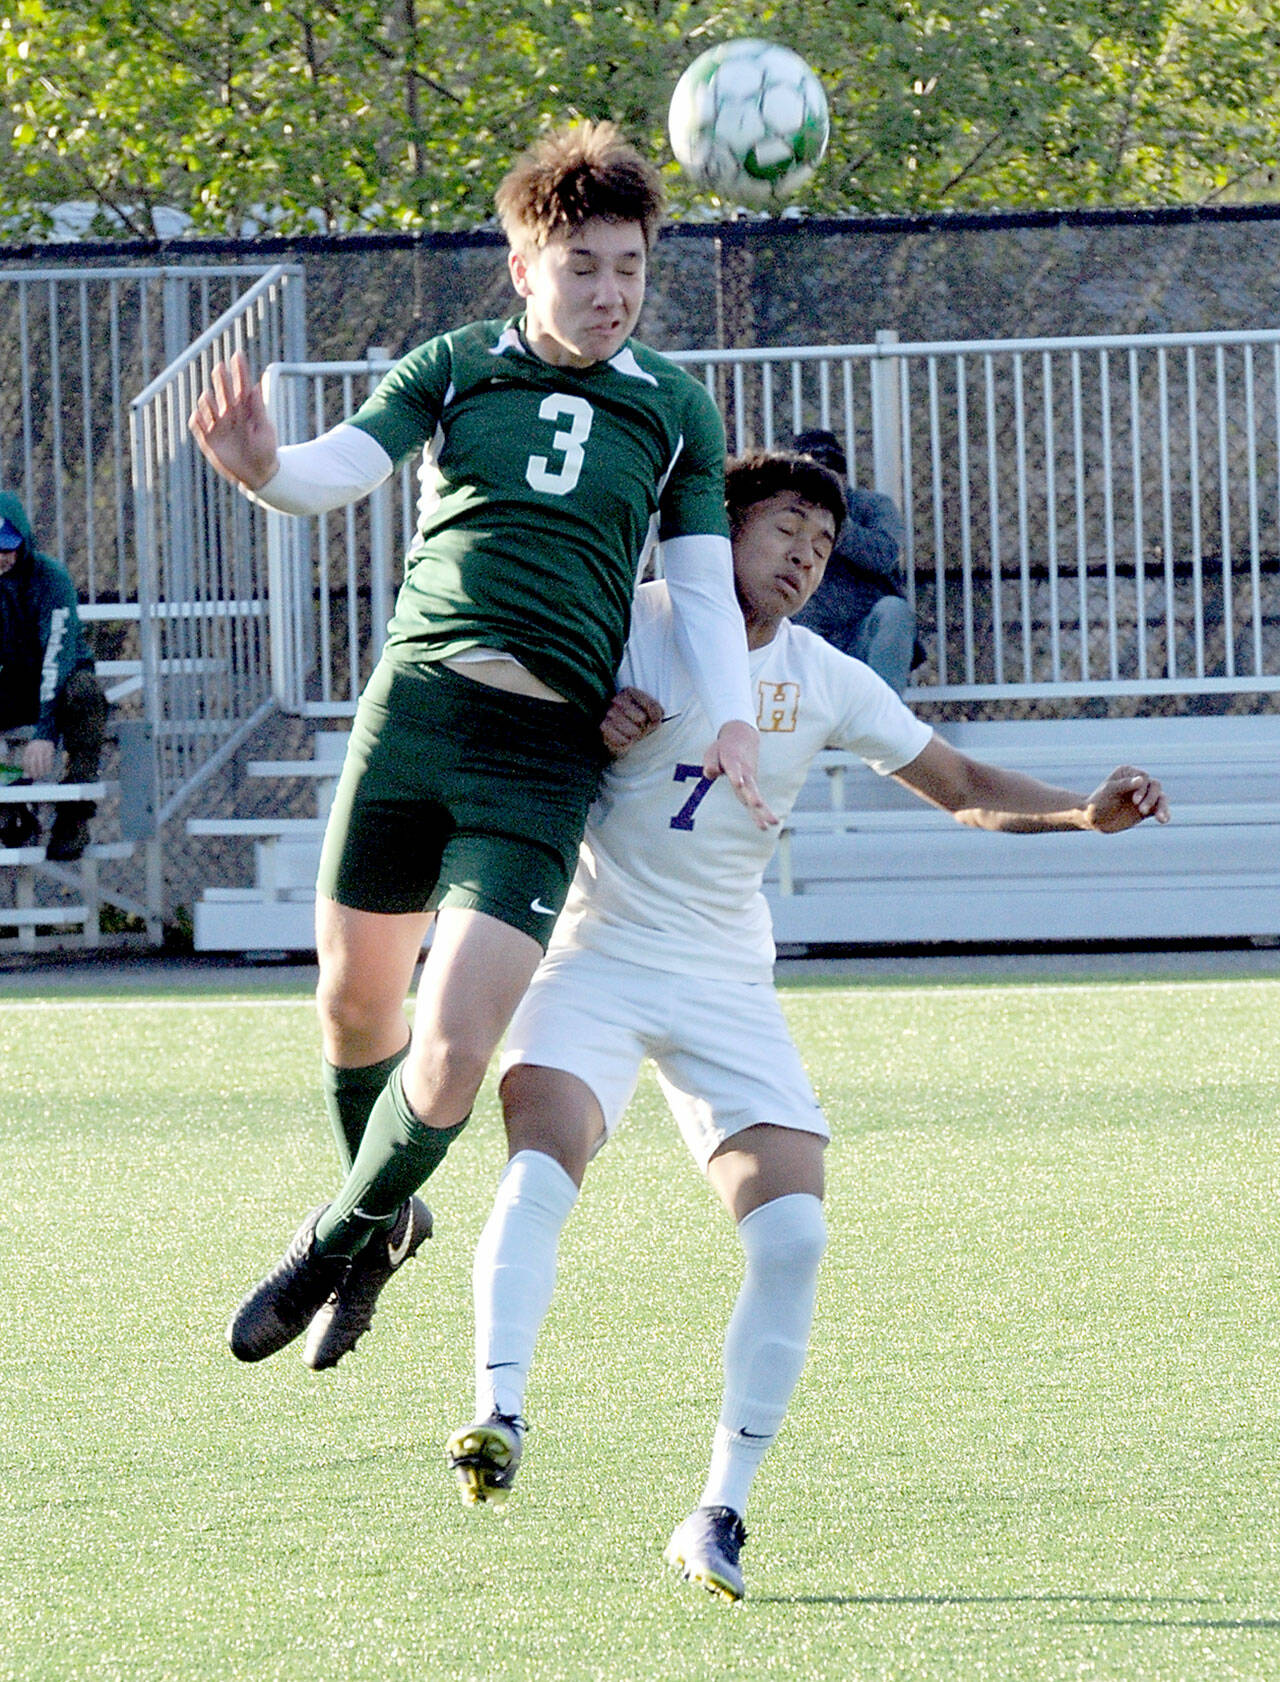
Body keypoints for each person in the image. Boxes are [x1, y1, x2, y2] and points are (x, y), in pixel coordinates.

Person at [444, 450, 1169, 1600]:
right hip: (591, 956)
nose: (802, 555)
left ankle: (716, 1510)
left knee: (793, 1238)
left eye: (822, 546)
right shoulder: (625, 624)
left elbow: (958, 778)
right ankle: (497, 1409)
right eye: (783, 527)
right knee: (543, 1163)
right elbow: (487, 732)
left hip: (724, 980)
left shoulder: (823, 677)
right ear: (715, 529)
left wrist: (1083, 812)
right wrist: (588, 721)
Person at [188, 121, 775, 1373]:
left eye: (628, 266)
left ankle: (335, 1238)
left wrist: (732, 713)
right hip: (415, 720)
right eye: (582, 267)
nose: (609, 291)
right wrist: (260, 470)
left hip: (541, 755)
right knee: (352, 1002)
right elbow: (338, 467)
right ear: (523, 267)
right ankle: (391, 1219)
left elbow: (704, 589)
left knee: (454, 1050)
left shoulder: (674, 406)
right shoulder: (453, 368)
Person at [0, 491, 108, 861]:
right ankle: (9, 800)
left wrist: (45, 733)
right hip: (12, 683)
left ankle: (73, 816)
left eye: (7, 548)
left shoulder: (50, 579)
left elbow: (57, 655)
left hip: (58, 681)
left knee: (85, 693)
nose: (1, 558)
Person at [788, 428, 922, 694]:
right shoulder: (783, 513)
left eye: (830, 469)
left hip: (863, 637)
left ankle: (885, 723)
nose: (823, 479)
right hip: (805, 638)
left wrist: (834, 522)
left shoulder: (871, 506)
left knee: (894, 612)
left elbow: (885, 556)